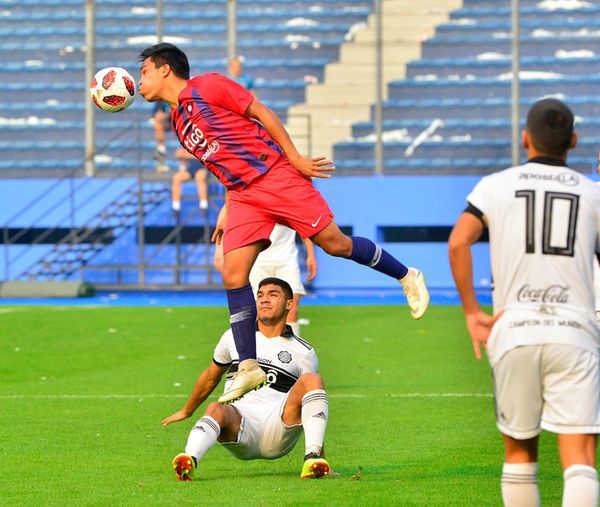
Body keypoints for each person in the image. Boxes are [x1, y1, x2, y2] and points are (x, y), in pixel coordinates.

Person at [138, 42, 429, 404]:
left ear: (165, 69)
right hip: (244, 195)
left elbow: (262, 112)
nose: (139, 81)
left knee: (335, 244)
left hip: (274, 175)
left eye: (144, 71)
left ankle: (407, 275)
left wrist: (296, 159)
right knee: (232, 273)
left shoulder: (208, 86)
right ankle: (248, 367)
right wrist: (228, 208)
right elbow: (222, 164)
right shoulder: (180, 123)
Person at [448, 98, 600, 507]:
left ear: (525, 138)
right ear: (573, 140)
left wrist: (471, 312)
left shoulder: (494, 186)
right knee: (581, 458)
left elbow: (459, 241)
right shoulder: (592, 194)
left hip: (514, 330)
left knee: (519, 457)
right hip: (576, 333)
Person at [162, 277, 331, 481]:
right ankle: (188, 460)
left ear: (289, 304)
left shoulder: (304, 351)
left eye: (273, 294)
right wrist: (187, 410)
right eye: (260, 295)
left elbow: (312, 405)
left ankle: (312, 459)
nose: (264, 300)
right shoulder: (234, 336)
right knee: (215, 407)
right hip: (239, 425)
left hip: (277, 426)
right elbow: (210, 377)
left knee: (312, 380)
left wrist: (322, 455)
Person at [215, 221, 317, 337]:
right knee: (260, 312)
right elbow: (230, 209)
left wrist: (311, 255)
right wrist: (219, 250)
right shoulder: (252, 202)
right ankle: (260, 353)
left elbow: (303, 223)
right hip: (258, 260)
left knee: (291, 309)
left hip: (287, 259)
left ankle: (294, 353)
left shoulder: (293, 202)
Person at [172, 147, 209, 212]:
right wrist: (181, 155)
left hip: (202, 167)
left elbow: (204, 155)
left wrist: (188, 154)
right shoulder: (187, 142)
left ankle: (203, 204)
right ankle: (176, 206)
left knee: (199, 177)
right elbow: (180, 154)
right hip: (190, 169)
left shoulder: (204, 142)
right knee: (176, 178)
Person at [152, 101, 170, 173]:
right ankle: (161, 150)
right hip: (167, 119)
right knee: (158, 117)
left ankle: (161, 150)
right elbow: (156, 109)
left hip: (178, 116)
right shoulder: (162, 95)